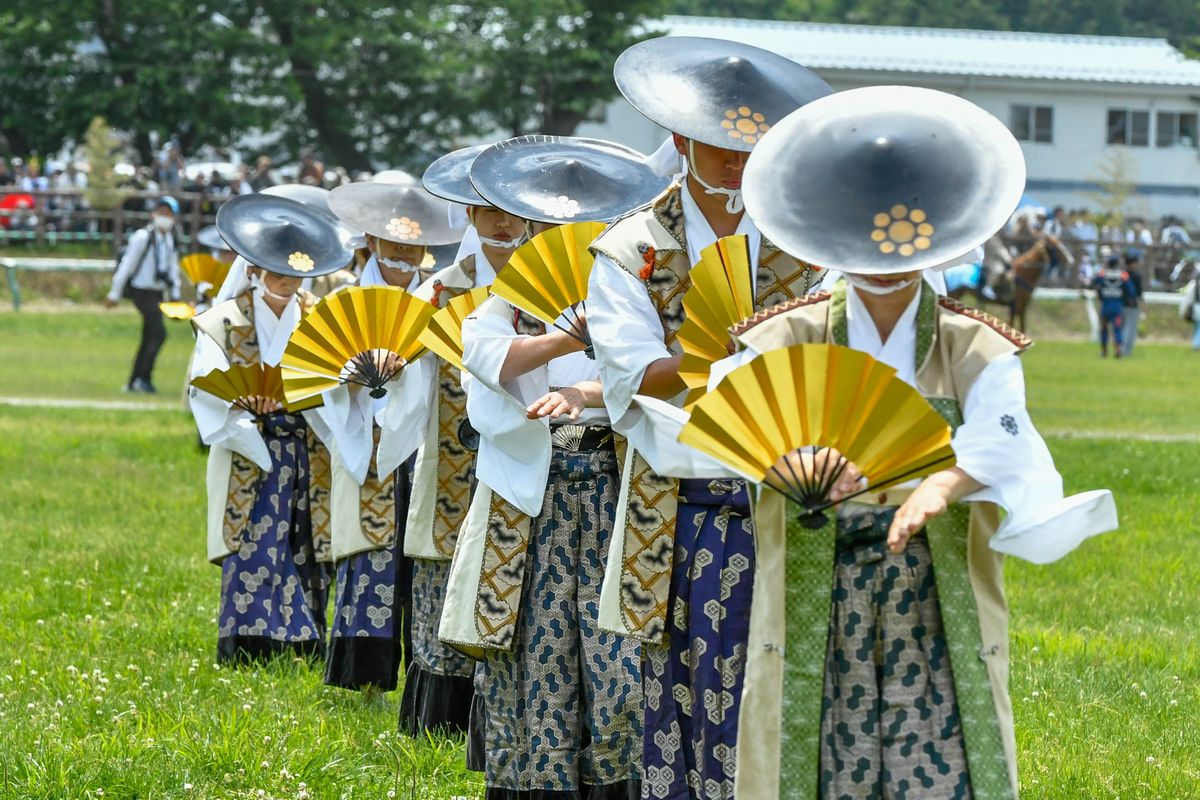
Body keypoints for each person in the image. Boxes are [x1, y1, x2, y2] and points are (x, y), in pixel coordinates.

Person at [705, 85, 1116, 798]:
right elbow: (716, 421)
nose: (881, 250)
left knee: (941, 753)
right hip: (814, 590)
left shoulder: (974, 346)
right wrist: (784, 456)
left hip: (933, 594)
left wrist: (942, 483)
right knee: (816, 759)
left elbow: (1004, 439)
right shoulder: (782, 335)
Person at [585, 36, 832, 799]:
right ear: (683, 140)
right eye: (722, 147)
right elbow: (629, 375)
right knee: (680, 687)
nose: (736, 165)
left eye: (751, 149)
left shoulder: (805, 245)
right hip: (679, 501)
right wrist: (727, 352)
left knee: (786, 678)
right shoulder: (631, 247)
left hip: (788, 494)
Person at [444, 135, 667, 798]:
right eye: (545, 228)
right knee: (530, 646)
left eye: (574, 227)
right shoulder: (503, 306)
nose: (556, 237)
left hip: (613, 486)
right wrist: (569, 337)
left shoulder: (634, 297)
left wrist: (585, 390)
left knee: (618, 649)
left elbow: (645, 379)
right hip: (531, 496)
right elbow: (489, 361)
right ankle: (534, 777)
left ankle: (617, 777)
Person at [377, 144, 524, 736]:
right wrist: (396, 364)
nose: (503, 220)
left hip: (523, 439)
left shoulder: (555, 281)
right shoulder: (441, 290)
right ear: (467, 215)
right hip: (453, 446)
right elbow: (407, 359)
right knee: (443, 564)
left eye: (511, 207)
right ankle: (440, 712)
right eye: (487, 209)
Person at [189, 193, 353, 663]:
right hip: (248, 444)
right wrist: (245, 422)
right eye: (275, 270)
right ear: (254, 269)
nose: (286, 280)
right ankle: (250, 641)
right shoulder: (223, 321)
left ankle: (304, 642)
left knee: (305, 536)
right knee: (254, 537)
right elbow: (205, 388)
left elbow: (337, 383)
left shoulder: (320, 317)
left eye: (296, 272)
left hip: (308, 442)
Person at [320, 180, 460, 693]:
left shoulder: (440, 295)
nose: (402, 252)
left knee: (421, 543)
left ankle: (425, 658)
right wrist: (349, 378)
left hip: (428, 433)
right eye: (391, 241)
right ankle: (366, 674)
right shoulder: (343, 297)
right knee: (372, 548)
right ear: (371, 241)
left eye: (412, 243)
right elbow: (318, 371)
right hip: (367, 435)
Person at [105, 196, 183, 393]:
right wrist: (114, 293)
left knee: (149, 335)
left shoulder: (170, 239)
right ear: (153, 214)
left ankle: (134, 381)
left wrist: (175, 293)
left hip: (158, 292)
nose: (165, 218)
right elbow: (127, 266)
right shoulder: (143, 237)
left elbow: (172, 269)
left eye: (169, 214)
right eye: (162, 213)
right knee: (159, 333)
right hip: (142, 291)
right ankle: (144, 379)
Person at [1092, 255, 1136, 358]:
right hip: (1117, 307)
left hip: (1105, 307)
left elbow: (1094, 283)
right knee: (1117, 329)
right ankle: (1118, 350)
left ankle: (1104, 351)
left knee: (1103, 329)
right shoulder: (1123, 275)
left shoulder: (1102, 274)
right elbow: (1131, 291)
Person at [1120, 249, 1146, 357]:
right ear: (1132, 263)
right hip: (1132, 305)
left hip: (1120, 304)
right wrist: (1143, 304)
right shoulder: (1136, 276)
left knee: (1121, 328)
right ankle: (1126, 352)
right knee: (1131, 329)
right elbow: (1139, 293)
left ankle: (1120, 348)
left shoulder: (1122, 275)